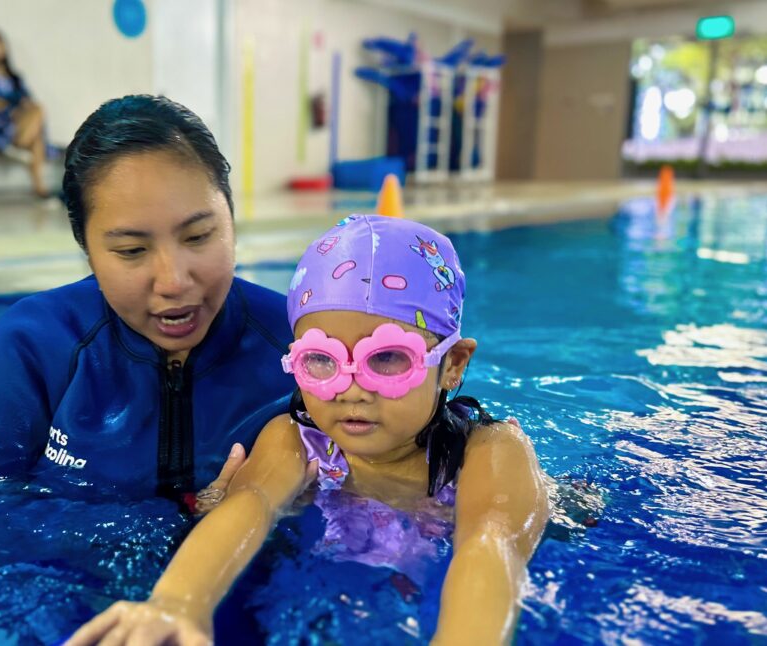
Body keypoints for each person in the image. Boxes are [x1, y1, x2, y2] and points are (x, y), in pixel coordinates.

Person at [68, 215, 550, 645]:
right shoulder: (298, 439)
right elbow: (250, 503)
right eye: (322, 360)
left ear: (451, 365)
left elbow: (490, 544)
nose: (352, 390)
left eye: (386, 359)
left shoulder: (488, 450)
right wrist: (177, 604)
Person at [0, 94, 297, 503]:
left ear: (231, 220)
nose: (173, 281)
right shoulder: (33, 346)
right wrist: (189, 524)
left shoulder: (299, 347)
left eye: (198, 236)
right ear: (87, 251)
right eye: (132, 250)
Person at [0, 29, 50, 198]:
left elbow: (25, 101)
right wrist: (12, 104)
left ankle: (40, 190)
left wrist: (14, 104)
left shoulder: (15, 78)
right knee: (36, 124)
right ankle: (19, 149)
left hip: (17, 123)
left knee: (36, 114)